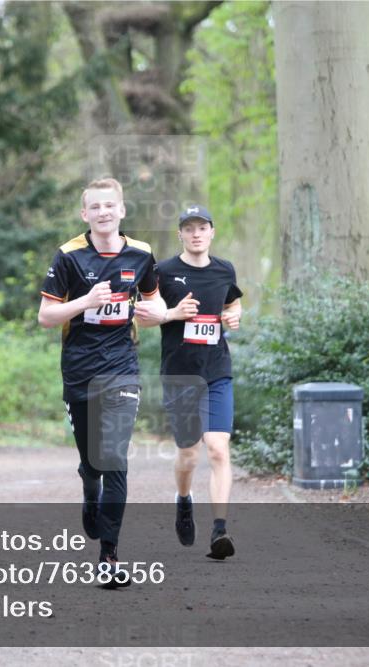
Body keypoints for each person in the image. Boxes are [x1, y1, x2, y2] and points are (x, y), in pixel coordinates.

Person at [38, 177, 166, 588]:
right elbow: (46, 316)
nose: (104, 212)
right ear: (85, 214)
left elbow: (154, 301)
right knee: (93, 461)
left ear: (122, 210)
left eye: (110, 205)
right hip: (79, 370)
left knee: (114, 456)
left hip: (122, 368)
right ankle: (88, 486)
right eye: (95, 207)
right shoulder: (69, 256)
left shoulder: (142, 254)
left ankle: (109, 555)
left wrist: (156, 313)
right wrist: (85, 302)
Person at [157, 205, 243, 560]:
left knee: (219, 449)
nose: (196, 234)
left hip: (217, 369)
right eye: (189, 228)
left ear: (212, 232)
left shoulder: (224, 269)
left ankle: (220, 530)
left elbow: (234, 302)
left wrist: (234, 317)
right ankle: (183, 499)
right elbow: (144, 315)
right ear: (180, 234)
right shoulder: (162, 272)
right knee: (189, 454)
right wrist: (172, 314)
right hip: (180, 374)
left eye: (202, 227)